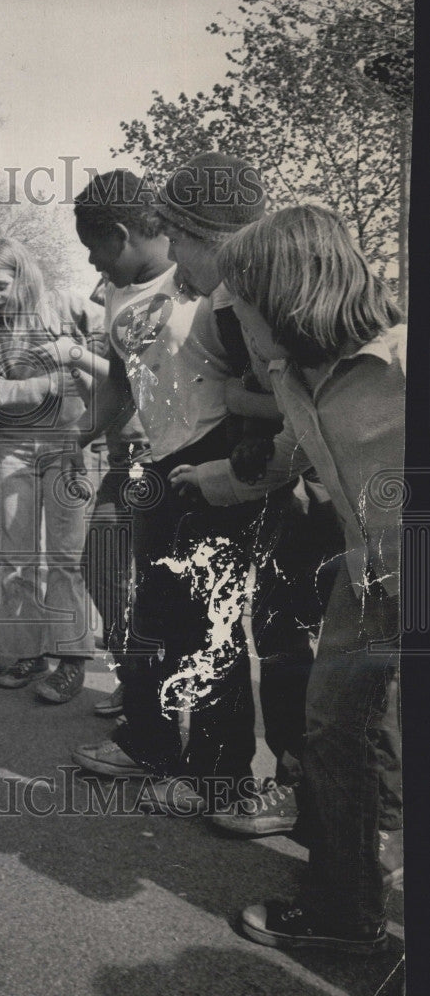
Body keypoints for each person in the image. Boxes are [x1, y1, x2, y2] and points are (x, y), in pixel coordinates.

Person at [170, 204, 404, 954]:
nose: (230, 317)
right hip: (366, 578)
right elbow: (284, 458)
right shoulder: (287, 371)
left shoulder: (401, 359)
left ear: (288, 293)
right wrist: (205, 477)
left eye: (241, 301)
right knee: (331, 729)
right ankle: (346, 912)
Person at [67, 162, 288, 812]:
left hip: (221, 461)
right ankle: (148, 744)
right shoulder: (113, 294)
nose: (92, 264)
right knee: (150, 615)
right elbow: (118, 379)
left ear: (117, 232)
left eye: (92, 249)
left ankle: (213, 776)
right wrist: (78, 434)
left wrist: (248, 461)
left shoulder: (209, 281)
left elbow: (265, 382)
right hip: (159, 468)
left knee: (211, 622)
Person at [0, 237, 101, 704]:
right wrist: (58, 379)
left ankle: (71, 660)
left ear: (23, 276)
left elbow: (115, 363)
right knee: (16, 557)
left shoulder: (67, 306)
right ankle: (26, 653)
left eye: (1, 286)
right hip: (14, 448)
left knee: (67, 557)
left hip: (70, 445)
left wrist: (83, 371)